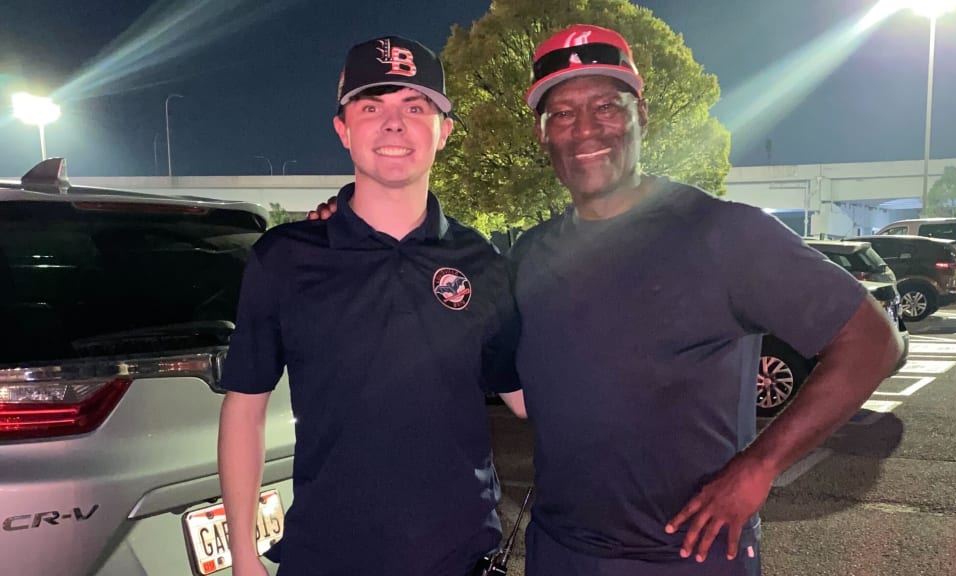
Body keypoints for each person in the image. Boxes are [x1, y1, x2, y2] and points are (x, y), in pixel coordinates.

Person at [311, 24, 902, 576]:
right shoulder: (530, 255)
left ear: (640, 114)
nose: (585, 130)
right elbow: (436, 295)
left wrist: (759, 467)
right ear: (543, 132)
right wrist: (348, 221)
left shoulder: (724, 233)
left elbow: (874, 342)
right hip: (561, 551)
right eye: (562, 113)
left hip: (689, 555)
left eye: (606, 107)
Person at [218, 34, 525, 576]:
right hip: (327, 555)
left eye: (415, 106)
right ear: (342, 129)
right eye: (371, 106)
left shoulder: (481, 260)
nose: (393, 123)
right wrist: (242, 552)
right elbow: (246, 407)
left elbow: (523, 394)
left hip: (461, 557)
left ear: (444, 131)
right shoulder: (285, 259)